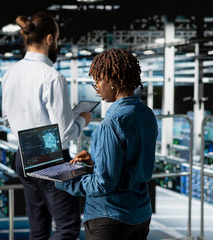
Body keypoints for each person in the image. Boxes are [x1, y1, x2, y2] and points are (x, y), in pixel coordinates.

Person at [1, 12, 91, 240]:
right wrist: (82, 120)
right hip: (48, 156)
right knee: (68, 227)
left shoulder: (10, 74)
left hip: (23, 155)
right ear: (50, 39)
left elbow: (6, 119)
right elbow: (63, 134)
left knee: (38, 229)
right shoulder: (52, 77)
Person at [55, 48, 158, 240]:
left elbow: (103, 185)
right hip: (140, 214)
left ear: (112, 80)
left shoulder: (111, 123)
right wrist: (96, 162)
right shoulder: (146, 114)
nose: (97, 89)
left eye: (97, 82)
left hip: (110, 217)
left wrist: (64, 180)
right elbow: (133, 164)